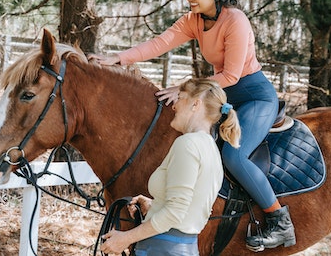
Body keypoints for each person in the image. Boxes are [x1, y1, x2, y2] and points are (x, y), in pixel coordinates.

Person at [91, 0, 296, 251]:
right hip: (221, 96)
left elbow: (232, 74)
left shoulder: (235, 21)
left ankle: (278, 219)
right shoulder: (194, 21)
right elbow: (160, 43)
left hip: (253, 97)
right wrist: (119, 58)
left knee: (234, 158)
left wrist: (184, 88)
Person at [99, 78, 241, 256]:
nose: (174, 106)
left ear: (195, 105)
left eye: (180, 98)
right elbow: (192, 207)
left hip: (161, 249)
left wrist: (125, 239)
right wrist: (156, 205)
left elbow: (175, 213)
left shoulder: (187, 144)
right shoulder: (210, 147)